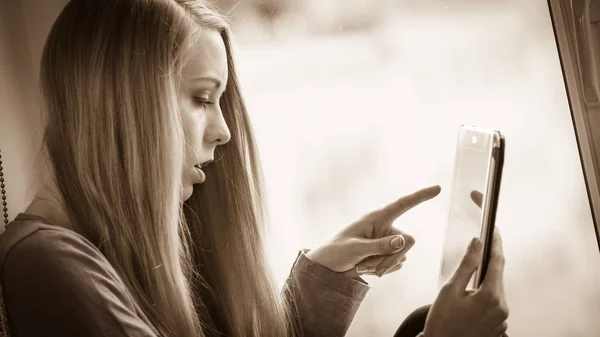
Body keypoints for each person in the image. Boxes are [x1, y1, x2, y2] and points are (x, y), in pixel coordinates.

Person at [0, 1, 509, 336]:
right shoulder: (47, 263)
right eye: (203, 98)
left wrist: (319, 284)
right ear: (123, 106)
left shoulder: (96, 253)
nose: (223, 131)